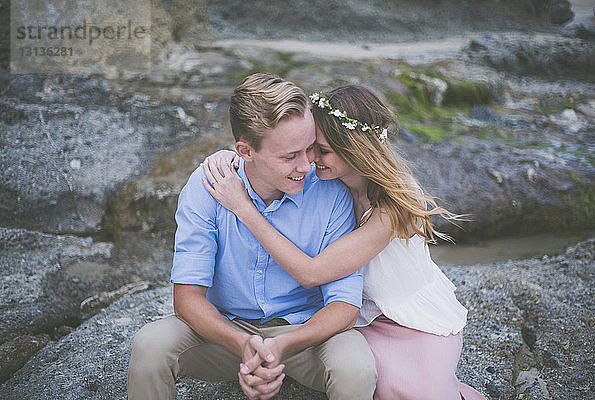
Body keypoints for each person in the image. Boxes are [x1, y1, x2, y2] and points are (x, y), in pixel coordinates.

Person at [202, 85, 487, 400]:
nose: (310, 160)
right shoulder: (330, 182)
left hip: (411, 320)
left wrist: (243, 208)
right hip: (363, 321)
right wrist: (235, 158)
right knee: (368, 377)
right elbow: (267, 156)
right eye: (310, 147)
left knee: (416, 393)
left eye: (320, 150)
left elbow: (312, 273)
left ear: (354, 149)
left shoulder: (391, 205)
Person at [127, 75, 377, 400]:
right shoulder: (207, 187)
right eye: (290, 156)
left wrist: (283, 344)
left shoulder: (331, 192)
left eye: (310, 148)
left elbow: (343, 305)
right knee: (151, 346)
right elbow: (187, 299)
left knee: (356, 367)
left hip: (305, 333)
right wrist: (242, 344)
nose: (306, 165)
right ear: (245, 150)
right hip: (225, 331)